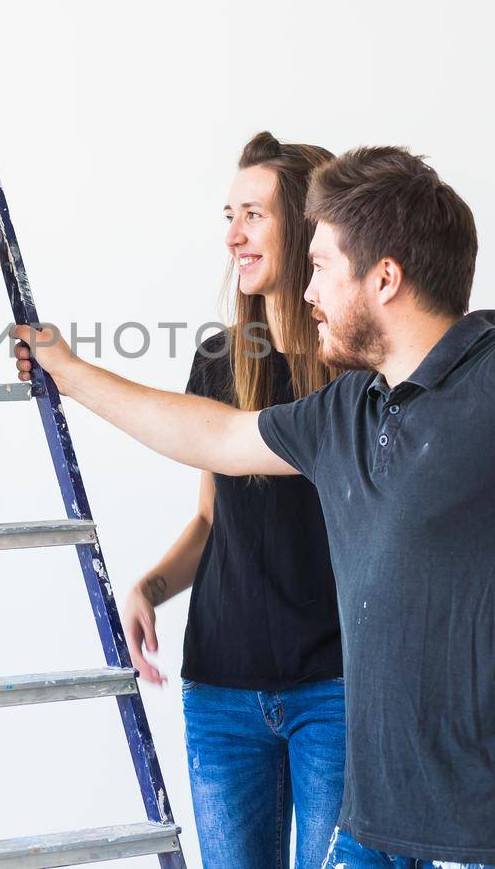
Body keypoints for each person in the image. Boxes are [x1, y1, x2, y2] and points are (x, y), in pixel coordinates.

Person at [13, 146, 495, 868]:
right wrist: (68, 371)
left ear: (384, 276)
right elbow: (215, 433)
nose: (308, 289)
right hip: (377, 826)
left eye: (321, 266)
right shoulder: (351, 407)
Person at [119, 132, 344, 868]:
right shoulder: (218, 360)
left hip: (337, 689)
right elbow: (213, 518)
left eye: (253, 214)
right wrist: (151, 584)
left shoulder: (358, 373)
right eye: (228, 215)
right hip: (220, 689)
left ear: (307, 227)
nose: (233, 235)